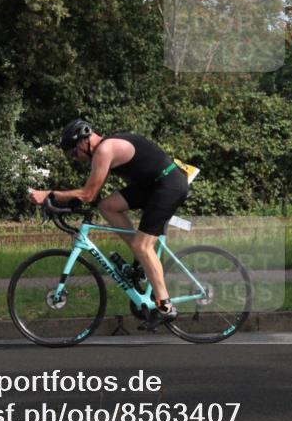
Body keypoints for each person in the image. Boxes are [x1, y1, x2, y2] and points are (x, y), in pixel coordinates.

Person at [28, 119, 189, 330]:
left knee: (144, 246)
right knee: (108, 206)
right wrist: (67, 202)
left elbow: (87, 194)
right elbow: (94, 199)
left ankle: (165, 307)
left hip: (168, 185)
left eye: (74, 153)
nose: (76, 158)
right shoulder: (104, 150)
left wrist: (49, 194)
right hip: (154, 184)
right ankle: (141, 262)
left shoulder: (105, 150)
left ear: (84, 140)